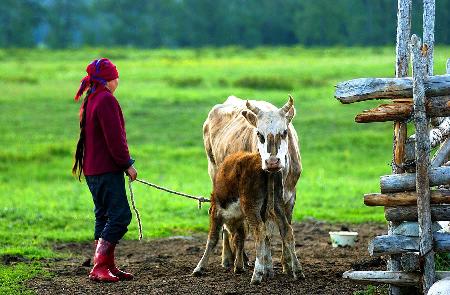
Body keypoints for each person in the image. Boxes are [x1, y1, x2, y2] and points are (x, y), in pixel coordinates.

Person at [72, 58, 137, 282]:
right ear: (110, 80)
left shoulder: (92, 99)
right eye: (116, 76)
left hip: (92, 170)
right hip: (106, 170)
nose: (118, 80)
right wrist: (127, 164)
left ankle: (107, 265)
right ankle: (99, 265)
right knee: (120, 216)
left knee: (103, 215)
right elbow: (115, 139)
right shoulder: (106, 100)